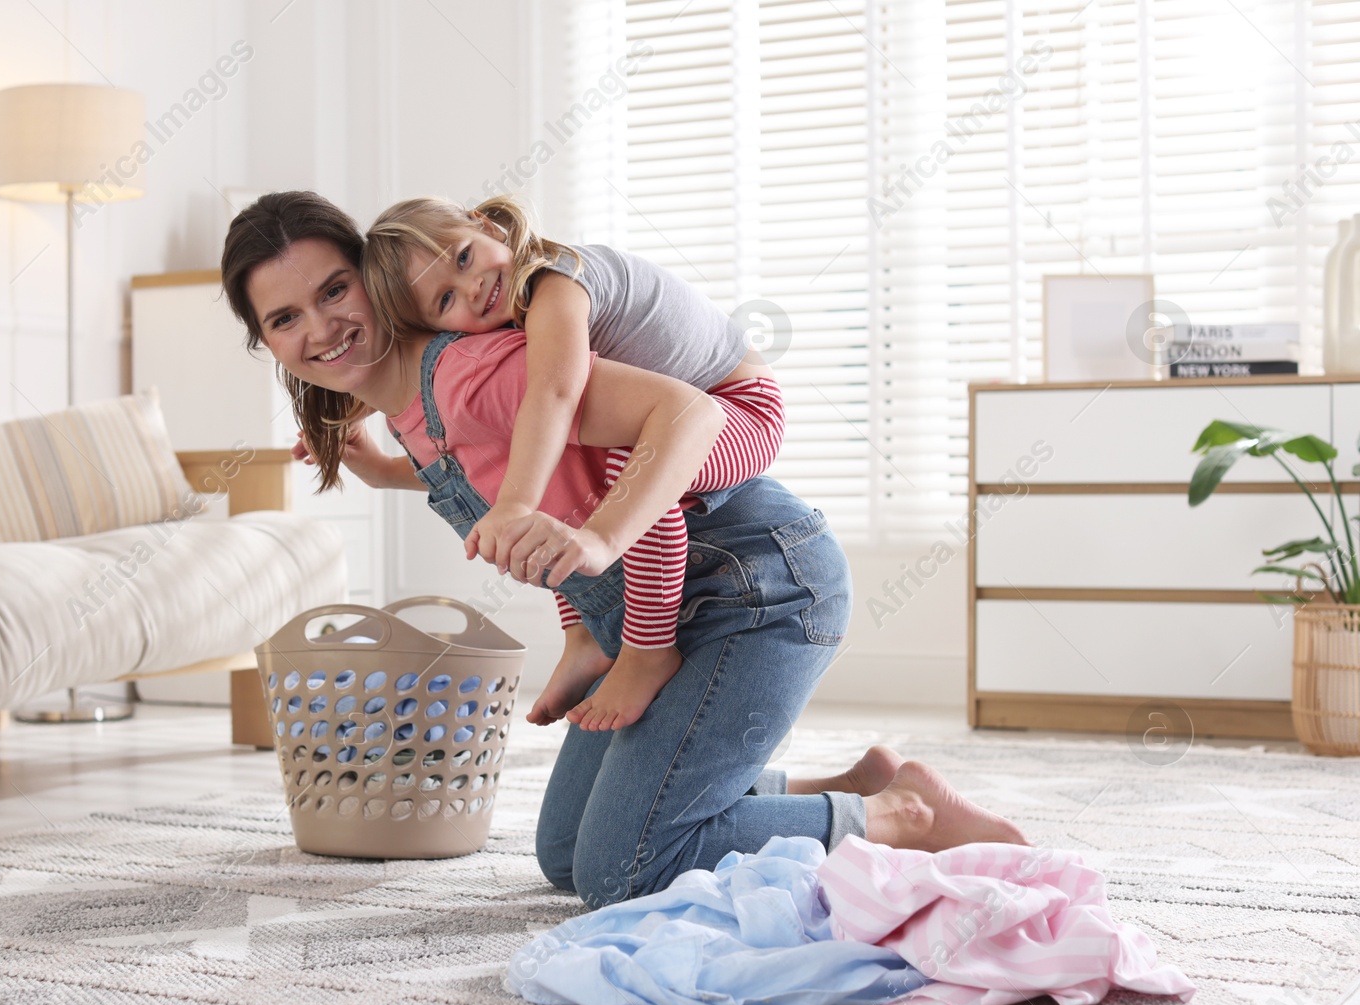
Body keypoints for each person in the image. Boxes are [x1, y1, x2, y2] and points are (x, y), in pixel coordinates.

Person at [219, 190, 1028, 911]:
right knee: (567, 854)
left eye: (333, 290)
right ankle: (859, 786)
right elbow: (512, 488)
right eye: (285, 318)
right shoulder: (412, 412)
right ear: (266, 342)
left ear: (373, 279)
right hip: (663, 608)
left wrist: (604, 553)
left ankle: (901, 818)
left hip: (757, 590)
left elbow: (692, 415)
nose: (321, 327)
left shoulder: (478, 370)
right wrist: (380, 470)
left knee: (625, 866)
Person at [362, 195, 786, 733]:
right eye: (445, 299)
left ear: (487, 226)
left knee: (616, 467)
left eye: (464, 257)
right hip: (687, 410)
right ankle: (583, 636)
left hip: (741, 410)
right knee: (551, 460)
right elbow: (491, 447)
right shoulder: (513, 314)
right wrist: (376, 464)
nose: (470, 287)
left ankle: (649, 650)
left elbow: (555, 392)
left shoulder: (557, 281)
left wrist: (523, 507)